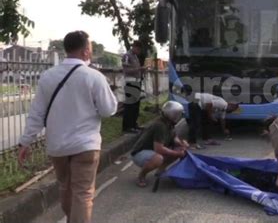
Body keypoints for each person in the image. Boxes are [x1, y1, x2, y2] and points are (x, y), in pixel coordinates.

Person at [18, 31, 118, 223]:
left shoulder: (48, 76)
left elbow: (36, 113)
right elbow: (108, 110)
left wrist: (25, 142)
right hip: (86, 145)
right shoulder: (94, 77)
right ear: (86, 51)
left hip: (58, 147)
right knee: (83, 194)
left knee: (65, 188)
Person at [130, 101, 188, 187]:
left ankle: (160, 170)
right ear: (172, 114)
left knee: (180, 150)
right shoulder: (160, 126)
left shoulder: (169, 123)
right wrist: (177, 153)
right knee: (158, 158)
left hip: (152, 150)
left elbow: (174, 137)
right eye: (178, 114)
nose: (179, 116)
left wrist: (182, 144)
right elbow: (159, 149)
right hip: (139, 153)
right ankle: (141, 176)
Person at [122, 40, 148, 133]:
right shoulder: (127, 56)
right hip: (130, 82)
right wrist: (139, 68)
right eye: (138, 49)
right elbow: (126, 70)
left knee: (135, 105)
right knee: (130, 105)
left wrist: (142, 71)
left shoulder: (135, 56)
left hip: (137, 82)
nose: (139, 52)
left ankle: (133, 124)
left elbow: (136, 70)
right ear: (135, 47)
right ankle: (127, 126)